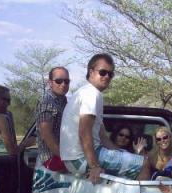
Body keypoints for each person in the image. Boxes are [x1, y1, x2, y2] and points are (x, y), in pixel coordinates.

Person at [60, 53, 150, 183]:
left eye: (110, 74)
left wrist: (120, 152)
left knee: (127, 161)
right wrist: (94, 166)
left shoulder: (83, 92)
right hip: (81, 158)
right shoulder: (92, 94)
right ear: (91, 72)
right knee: (144, 163)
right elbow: (84, 132)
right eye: (102, 72)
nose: (107, 76)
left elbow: (102, 135)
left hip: (73, 159)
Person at [36, 66, 70, 171]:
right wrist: (65, 157)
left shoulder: (63, 101)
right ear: (50, 83)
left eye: (66, 81)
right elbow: (46, 135)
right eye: (59, 81)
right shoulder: (47, 102)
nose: (63, 84)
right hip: (51, 158)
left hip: (63, 154)